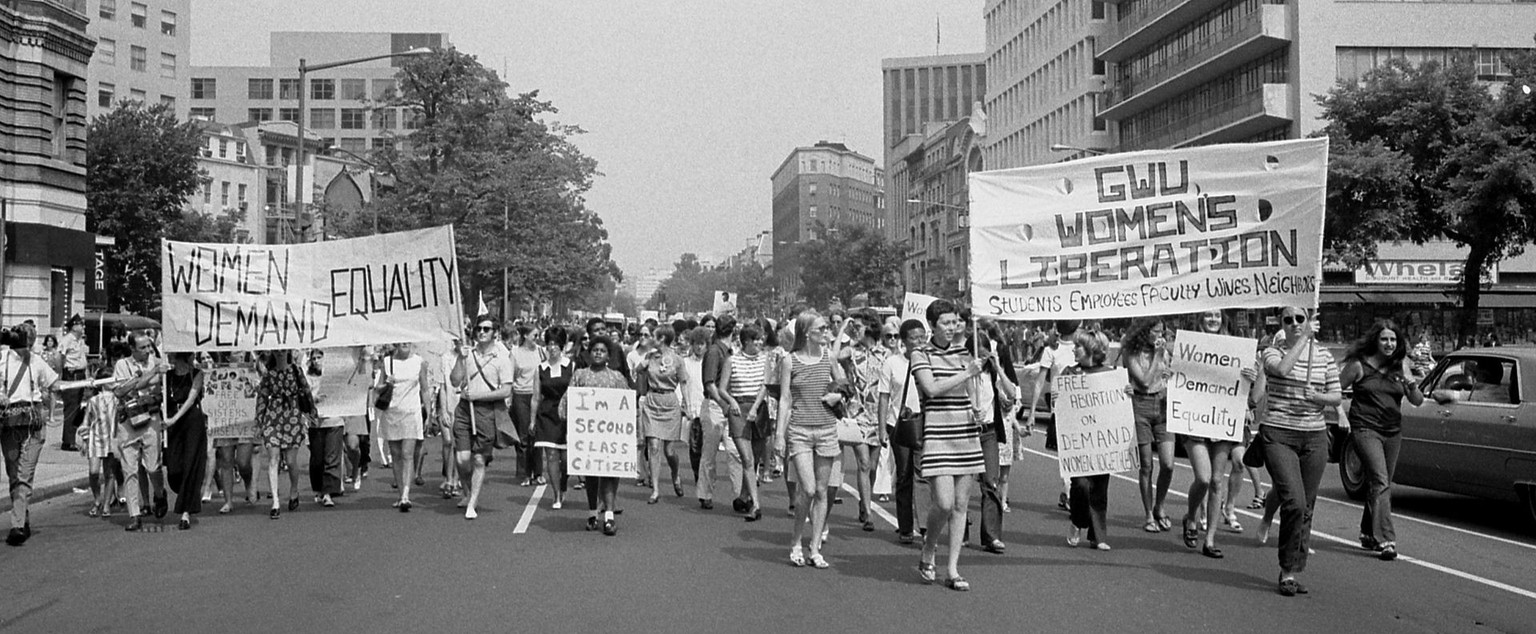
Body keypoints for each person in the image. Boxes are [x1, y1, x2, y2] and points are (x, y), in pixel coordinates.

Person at [1260, 306, 1342, 596]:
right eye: (1288, 320)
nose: (1294, 324)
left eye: (1300, 319)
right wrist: (1303, 339)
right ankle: (1286, 564)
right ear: (1281, 324)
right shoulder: (1272, 350)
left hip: (1314, 436)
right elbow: (1281, 370)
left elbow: (1336, 395)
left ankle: (1291, 572)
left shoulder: (1324, 356)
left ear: (1309, 320)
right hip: (1279, 432)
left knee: (1306, 505)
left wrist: (1319, 396)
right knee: (1293, 500)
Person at [911, 299, 988, 591]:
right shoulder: (921, 354)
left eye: (954, 322)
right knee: (942, 502)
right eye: (945, 323)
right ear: (932, 325)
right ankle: (929, 548)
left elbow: (970, 391)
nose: (951, 328)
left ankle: (953, 568)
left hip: (965, 433)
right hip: (938, 433)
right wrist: (966, 373)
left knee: (960, 506)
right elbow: (931, 388)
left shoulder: (964, 353)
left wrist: (977, 409)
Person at [1340, 320, 1424, 561]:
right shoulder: (1359, 365)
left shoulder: (1401, 365)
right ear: (1375, 341)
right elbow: (1335, 389)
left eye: (1393, 340)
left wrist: (1411, 384)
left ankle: (1368, 531)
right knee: (1380, 480)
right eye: (1385, 339)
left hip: (1392, 431)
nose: (1389, 344)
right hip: (1365, 429)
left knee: (1380, 484)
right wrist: (1338, 414)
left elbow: (1417, 400)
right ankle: (1386, 539)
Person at [1179, 310, 1256, 558]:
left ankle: (1210, 539)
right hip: (1196, 422)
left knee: (1216, 481)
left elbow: (1240, 387)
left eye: (1218, 316)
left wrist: (1250, 379)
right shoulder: (1189, 346)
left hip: (1222, 421)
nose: (1214, 320)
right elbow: (1179, 378)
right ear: (1200, 318)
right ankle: (1191, 516)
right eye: (1209, 316)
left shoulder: (1233, 348)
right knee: (1203, 478)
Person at [775, 310, 841, 569]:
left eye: (826, 328)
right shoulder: (790, 361)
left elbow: (844, 384)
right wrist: (779, 435)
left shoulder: (829, 356)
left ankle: (814, 547)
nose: (826, 333)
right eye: (821, 329)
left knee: (823, 491)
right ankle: (795, 541)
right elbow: (785, 399)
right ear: (805, 333)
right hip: (800, 430)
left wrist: (840, 396)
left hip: (826, 428)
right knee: (809, 489)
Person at [565, 336, 633, 535]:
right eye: (595, 350)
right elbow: (569, 401)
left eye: (602, 351)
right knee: (591, 475)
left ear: (608, 356)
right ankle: (592, 513)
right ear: (589, 352)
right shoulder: (580, 375)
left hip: (610, 437)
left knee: (610, 475)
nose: (598, 353)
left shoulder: (617, 378)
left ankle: (609, 516)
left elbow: (627, 406)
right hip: (587, 437)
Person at [448, 316, 515, 520]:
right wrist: (460, 359)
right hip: (464, 410)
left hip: (486, 411)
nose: (482, 332)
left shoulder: (502, 358)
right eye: (479, 329)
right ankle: (467, 490)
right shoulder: (468, 355)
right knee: (462, 459)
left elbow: (505, 391)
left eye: (487, 329)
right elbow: (454, 381)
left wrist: (478, 396)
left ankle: (472, 502)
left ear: (495, 332)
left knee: (478, 459)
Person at [2, 326, 60, 545]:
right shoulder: (2, 359)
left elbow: (54, 384)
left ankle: (16, 525)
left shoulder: (36, 361)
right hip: (9, 423)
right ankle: (22, 514)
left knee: (24, 473)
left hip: (32, 423)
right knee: (14, 473)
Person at [1063, 330, 1119, 551]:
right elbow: (1061, 404)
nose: (1074, 349)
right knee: (1081, 484)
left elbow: (1117, 406)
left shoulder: (1109, 374)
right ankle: (1078, 520)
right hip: (1079, 439)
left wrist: (1125, 393)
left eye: (1078, 346)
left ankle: (1098, 535)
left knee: (1100, 488)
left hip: (1102, 441)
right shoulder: (1070, 373)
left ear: (1090, 350)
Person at [835, 309, 888, 533]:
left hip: (878, 414)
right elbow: (833, 356)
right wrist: (843, 331)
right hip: (856, 412)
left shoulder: (885, 353)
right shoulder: (851, 351)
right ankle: (867, 510)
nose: (856, 328)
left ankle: (863, 500)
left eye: (859, 325)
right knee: (863, 463)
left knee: (873, 465)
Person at [1122, 317, 1176, 534]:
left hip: (1163, 406)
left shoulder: (1166, 352)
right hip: (1141, 405)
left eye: (1162, 332)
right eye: (1155, 331)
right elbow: (1143, 380)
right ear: (1145, 332)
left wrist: (1169, 374)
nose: (1160, 336)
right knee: (1146, 465)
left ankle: (1160, 505)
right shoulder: (1131, 352)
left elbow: (1170, 375)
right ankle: (1148, 514)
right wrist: (1157, 355)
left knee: (1168, 463)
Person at [112, 332, 168, 532]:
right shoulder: (122, 365)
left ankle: (160, 494)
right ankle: (134, 514)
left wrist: (145, 380)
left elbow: (157, 386)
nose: (148, 351)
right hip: (128, 421)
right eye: (143, 348)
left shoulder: (159, 362)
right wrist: (151, 375)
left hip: (151, 419)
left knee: (153, 466)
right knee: (130, 470)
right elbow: (120, 390)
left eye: (149, 347)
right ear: (133, 349)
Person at [878, 318, 927, 544]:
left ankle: (926, 526)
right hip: (900, 424)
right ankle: (906, 527)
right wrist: (881, 429)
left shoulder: (930, 361)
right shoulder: (892, 363)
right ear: (903, 341)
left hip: (926, 423)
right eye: (913, 338)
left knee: (924, 475)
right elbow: (884, 397)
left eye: (922, 337)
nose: (918, 342)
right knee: (905, 475)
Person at [256, 349, 312, 520]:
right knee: (273, 459)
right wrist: (259, 421)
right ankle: (275, 501)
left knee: (291, 461)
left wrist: (312, 413)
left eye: (283, 350)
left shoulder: (296, 370)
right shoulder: (268, 374)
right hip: (273, 417)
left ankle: (294, 490)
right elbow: (262, 397)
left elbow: (306, 392)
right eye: (277, 350)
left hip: (292, 416)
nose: (280, 353)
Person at [722, 322, 770, 521]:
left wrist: (755, 407)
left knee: (755, 458)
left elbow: (765, 385)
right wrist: (732, 401)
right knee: (747, 459)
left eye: (760, 339)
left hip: (758, 409)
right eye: (756, 339)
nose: (760, 343)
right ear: (746, 342)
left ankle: (744, 496)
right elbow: (722, 388)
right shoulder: (732, 361)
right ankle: (756, 505)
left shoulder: (765, 359)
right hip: (738, 409)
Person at [377, 343, 428, 512]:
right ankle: (400, 494)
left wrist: (429, 411)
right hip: (391, 412)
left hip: (411, 412)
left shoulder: (419, 362)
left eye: (407, 341)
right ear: (397, 343)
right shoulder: (387, 362)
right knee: (396, 454)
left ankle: (406, 494)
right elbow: (378, 388)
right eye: (402, 341)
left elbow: (425, 388)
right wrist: (386, 384)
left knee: (407, 454)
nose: (405, 344)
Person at [639, 325, 688, 504]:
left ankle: (675, 475)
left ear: (662, 339)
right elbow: (637, 370)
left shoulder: (677, 359)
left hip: (669, 402)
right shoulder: (650, 356)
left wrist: (687, 405)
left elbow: (683, 382)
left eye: (654, 336)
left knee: (669, 450)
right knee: (653, 445)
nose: (651, 339)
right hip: (652, 400)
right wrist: (645, 360)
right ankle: (655, 489)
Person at [160, 352, 209, 530]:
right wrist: (154, 372)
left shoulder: (196, 373)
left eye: (172, 354)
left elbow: (191, 398)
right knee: (173, 469)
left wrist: (175, 419)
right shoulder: (167, 376)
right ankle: (185, 495)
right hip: (173, 422)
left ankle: (185, 512)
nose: (169, 356)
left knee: (190, 464)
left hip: (191, 420)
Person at [698, 315, 739, 510]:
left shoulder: (727, 351)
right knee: (710, 452)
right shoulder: (715, 352)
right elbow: (710, 383)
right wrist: (723, 403)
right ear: (733, 331)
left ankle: (741, 494)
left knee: (735, 451)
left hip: (727, 404)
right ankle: (705, 493)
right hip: (716, 405)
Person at [533, 327, 574, 508]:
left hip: (567, 414)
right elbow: (536, 396)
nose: (552, 348)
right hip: (547, 413)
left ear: (562, 346)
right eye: (549, 344)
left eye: (556, 344)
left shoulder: (571, 366)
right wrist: (532, 420)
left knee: (566, 458)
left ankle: (563, 483)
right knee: (550, 455)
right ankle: (556, 494)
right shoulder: (540, 369)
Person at [306, 349, 349, 509]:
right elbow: (302, 397)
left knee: (332, 458)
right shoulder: (308, 377)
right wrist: (312, 399)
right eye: (314, 358)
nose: (317, 361)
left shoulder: (336, 375)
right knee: (317, 459)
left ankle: (328, 493)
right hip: (316, 422)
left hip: (334, 420)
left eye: (320, 357)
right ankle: (318, 488)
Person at [509, 325, 542, 486]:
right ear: (525, 336)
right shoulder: (515, 353)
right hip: (521, 395)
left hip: (537, 395)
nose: (537, 338)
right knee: (524, 435)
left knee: (536, 435)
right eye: (534, 335)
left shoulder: (541, 351)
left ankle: (538, 472)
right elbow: (511, 376)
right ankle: (523, 473)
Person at [58, 315, 89, 452]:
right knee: (71, 408)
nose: (83, 327)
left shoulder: (79, 341)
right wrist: (60, 376)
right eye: (81, 325)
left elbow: (82, 360)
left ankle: (71, 437)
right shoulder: (67, 340)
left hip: (80, 375)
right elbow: (60, 357)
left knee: (77, 408)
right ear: (74, 326)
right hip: (71, 376)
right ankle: (68, 441)